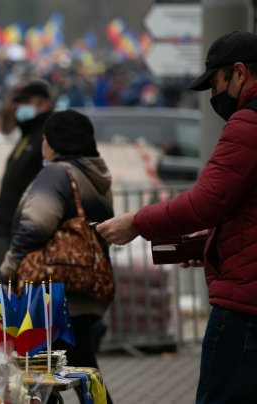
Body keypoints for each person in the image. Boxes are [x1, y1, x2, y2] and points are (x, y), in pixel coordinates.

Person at [96, 31, 257, 403]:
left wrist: (137, 221)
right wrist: (210, 246)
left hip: (243, 309)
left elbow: (207, 202)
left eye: (216, 84)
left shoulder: (247, 123)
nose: (215, 98)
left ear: (238, 73)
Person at [0, 110, 114, 404]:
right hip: (86, 288)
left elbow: (35, 226)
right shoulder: (96, 175)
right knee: (81, 373)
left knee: (42, 374)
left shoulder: (56, 173)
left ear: (53, 142)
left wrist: (9, 268)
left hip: (54, 294)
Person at [0, 81, 53, 240]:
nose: (21, 107)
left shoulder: (47, 136)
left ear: (44, 104)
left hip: (30, 230)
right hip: (16, 229)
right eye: (20, 103)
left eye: (27, 102)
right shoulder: (28, 134)